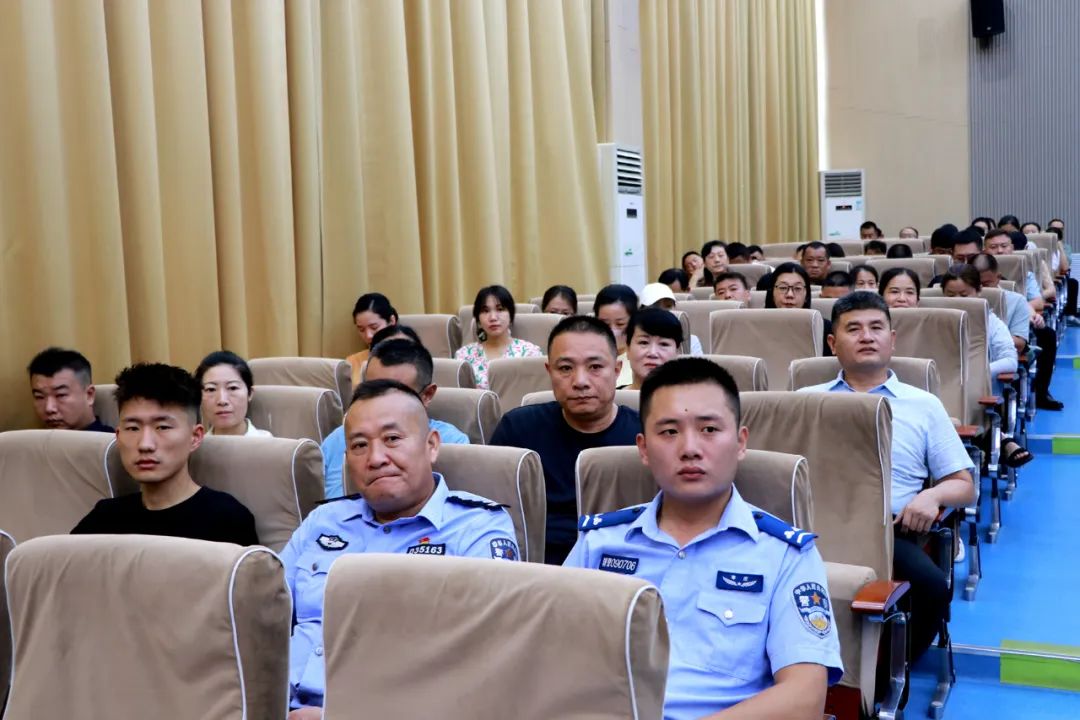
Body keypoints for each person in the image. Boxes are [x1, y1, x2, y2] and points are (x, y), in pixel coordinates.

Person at [566, 359, 842, 719]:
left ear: (740, 442)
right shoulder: (598, 543)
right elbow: (550, 654)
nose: (690, 448)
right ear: (643, 448)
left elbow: (804, 696)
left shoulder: (784, 556)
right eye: (669, 432)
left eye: (709, 429)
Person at [282, 380, 518, 716]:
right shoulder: (324, 521)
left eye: (392, 439)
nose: (376, 458)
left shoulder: (477, 528)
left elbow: (481, 659)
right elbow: (263, 612)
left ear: (431, 445)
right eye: (359, 445)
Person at [799, 292, 975, 669]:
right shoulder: (804, 400)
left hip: (889, 532)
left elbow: (964, 485)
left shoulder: (923, 404)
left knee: (932, 588)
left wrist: (931, 495)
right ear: (832, 343)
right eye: (853, 329)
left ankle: (884, 680)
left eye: (876, 328)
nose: (866, 336)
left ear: (892, 340)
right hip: (811, 528)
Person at [490, 316, 640, 564]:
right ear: (549, 372)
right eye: (566, 368)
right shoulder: (517, 429)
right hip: (536, 566)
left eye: (595, 367)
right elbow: (491, 515)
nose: (580, 381)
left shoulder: (644, 435)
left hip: (624, 563)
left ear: (616, 370)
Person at [71, 363, 258, 545]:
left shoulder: (227, 520)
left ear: (195, 437)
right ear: (118, 436)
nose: (145, 444)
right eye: (133, 428)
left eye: (162, 427)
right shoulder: (105, 519)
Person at [321, 338, 469, 499]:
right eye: (373, 392)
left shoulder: (453, 442)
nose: (376, 459)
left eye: (393, 438)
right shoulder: (338, 438)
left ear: (427, 394)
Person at [455, 285, 543, 389]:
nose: (493, 317)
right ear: (478, 320)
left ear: (511, 315)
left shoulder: (529, 353)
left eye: (500, 309)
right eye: (485, 311)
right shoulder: (464, 356)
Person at [27, 347, 113, 432]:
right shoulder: (32, 440)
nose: (49, 408)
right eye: (39, 397)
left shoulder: (111, 440)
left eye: (60, 395)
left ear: (89, 395)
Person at [194, 351, 272, 437]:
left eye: (233, 388)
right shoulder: (194, 445)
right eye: (211, 389)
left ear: (249, 394)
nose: (222, 401)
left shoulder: (269, 443)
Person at [971, 253, 1038, 353]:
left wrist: (981, 340)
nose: (980, 290)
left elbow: (1020, 344)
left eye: (985, 284)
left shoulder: (1017, 301)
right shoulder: (961, 300)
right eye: (975, 285)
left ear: (998, 277)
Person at [767, 263, 832, 356]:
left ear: (806, 295)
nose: (790, 295)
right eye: (783, 288)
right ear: (772, 293)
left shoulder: (823, 328)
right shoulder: (756, 326)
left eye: (797, 288)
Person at [621, 308, 683, 390]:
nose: (653, 353)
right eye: (644, 342)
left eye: (664, 344)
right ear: (628, 348)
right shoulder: (612, 397)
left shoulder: (691, 398)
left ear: (677, 352)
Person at [346, 293, 398, 387]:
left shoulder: (413, 358)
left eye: (374, 327)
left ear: (391, 321)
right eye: (361, 330)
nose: (368, 336)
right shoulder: (352, 362)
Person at [594, 283, 640, 387]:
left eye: (620, 324)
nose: (612, 331)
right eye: (605, 324)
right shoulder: (585, 355)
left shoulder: (641, 360)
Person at [640, 282, 702, 355]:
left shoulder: (691, 341)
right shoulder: (636, 340)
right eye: (655, 306)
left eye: (668, 306)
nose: (662, 311)